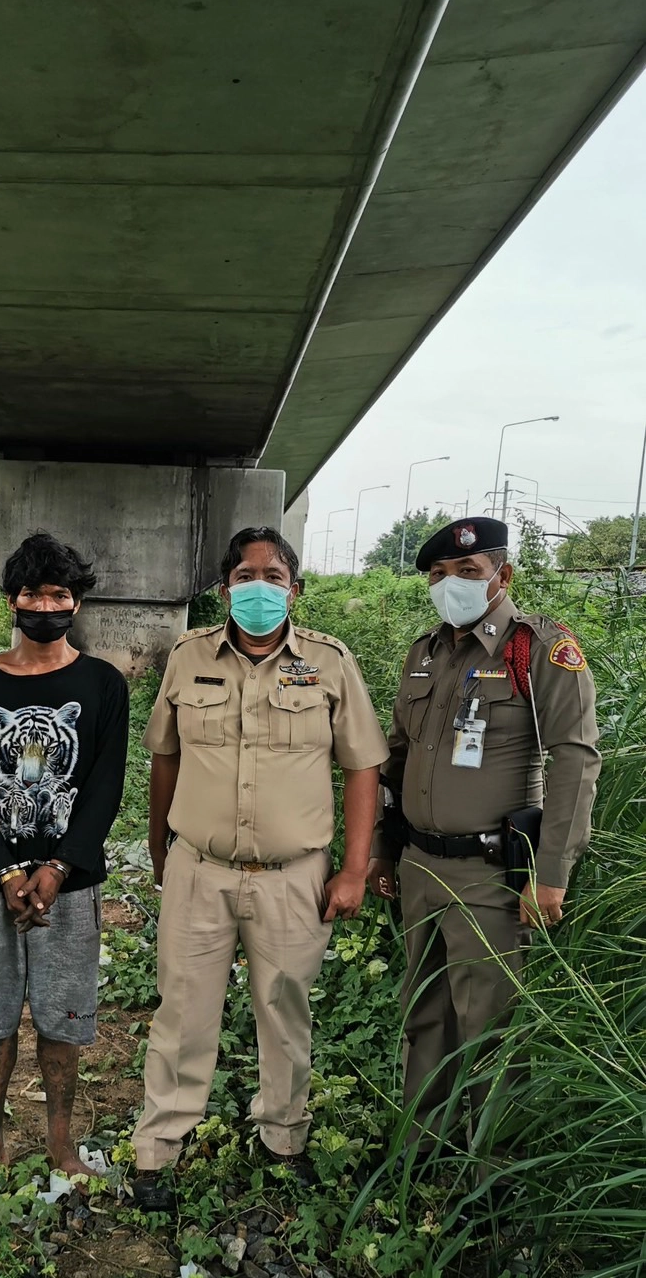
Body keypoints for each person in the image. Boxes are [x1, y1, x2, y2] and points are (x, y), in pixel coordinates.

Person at [130, 526, 387, 1210]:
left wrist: (354, 869)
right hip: (200, 868)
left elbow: (363, 766)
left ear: (295, 590)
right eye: (246, 576)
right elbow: (165, 756)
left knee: (285, 1010)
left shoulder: (330, 663)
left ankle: (283, 1135)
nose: (260, 588)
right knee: (182, 1011)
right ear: (224, 590)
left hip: (292, 876)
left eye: (273, 576)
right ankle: (159, 1147)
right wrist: (160, 847)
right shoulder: (188, 657)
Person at [366, 516, 601, 1154]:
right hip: (419, 864)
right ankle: (420, 1156)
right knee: (426, 1017)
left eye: (468, 573)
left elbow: (575, 760)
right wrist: (384, 850)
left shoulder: (539, 650)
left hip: (493, 875)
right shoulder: (426, 652)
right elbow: (395, 758)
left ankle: (492, 1185)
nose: (452, 586)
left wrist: (550, 872)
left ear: (504, 574)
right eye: (439, 576)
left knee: (491, 1029)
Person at [0, 532, 129, 1178]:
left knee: (63, 1018)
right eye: (31, 592)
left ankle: (60, 1143)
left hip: (69, 887)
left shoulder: (104, 685)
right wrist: (6, 869)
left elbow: (105, 788)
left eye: (57, 593)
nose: (44, 604)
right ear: (11, 599)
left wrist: (58, 868)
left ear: (75, 602)